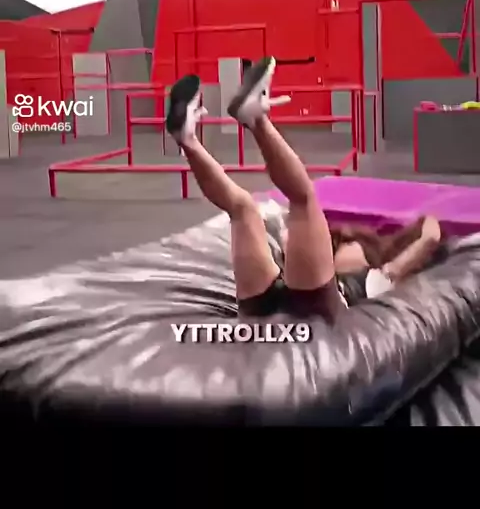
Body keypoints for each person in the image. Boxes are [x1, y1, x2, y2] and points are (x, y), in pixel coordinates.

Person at [166, 56, 443, 322]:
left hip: (312, 310)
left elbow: (428, 238)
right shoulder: (317, 263)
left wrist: (423, 234)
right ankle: (188, 140)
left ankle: (255, 120)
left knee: (301, 199)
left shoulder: (379, 278)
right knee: (243, 208)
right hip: (282, 296)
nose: (340, 251)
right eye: (341, 246)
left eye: (350, 246)